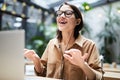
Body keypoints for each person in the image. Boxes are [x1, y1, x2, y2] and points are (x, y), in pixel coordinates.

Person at [24, 2, 103, 80]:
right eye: (59, 13)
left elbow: (99, 78)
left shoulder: (89, 45)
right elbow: (43, 74)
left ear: (77, 21)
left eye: (68, 13)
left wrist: (83, 65)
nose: (61, 16)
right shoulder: (51, 43)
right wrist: (36, 60)